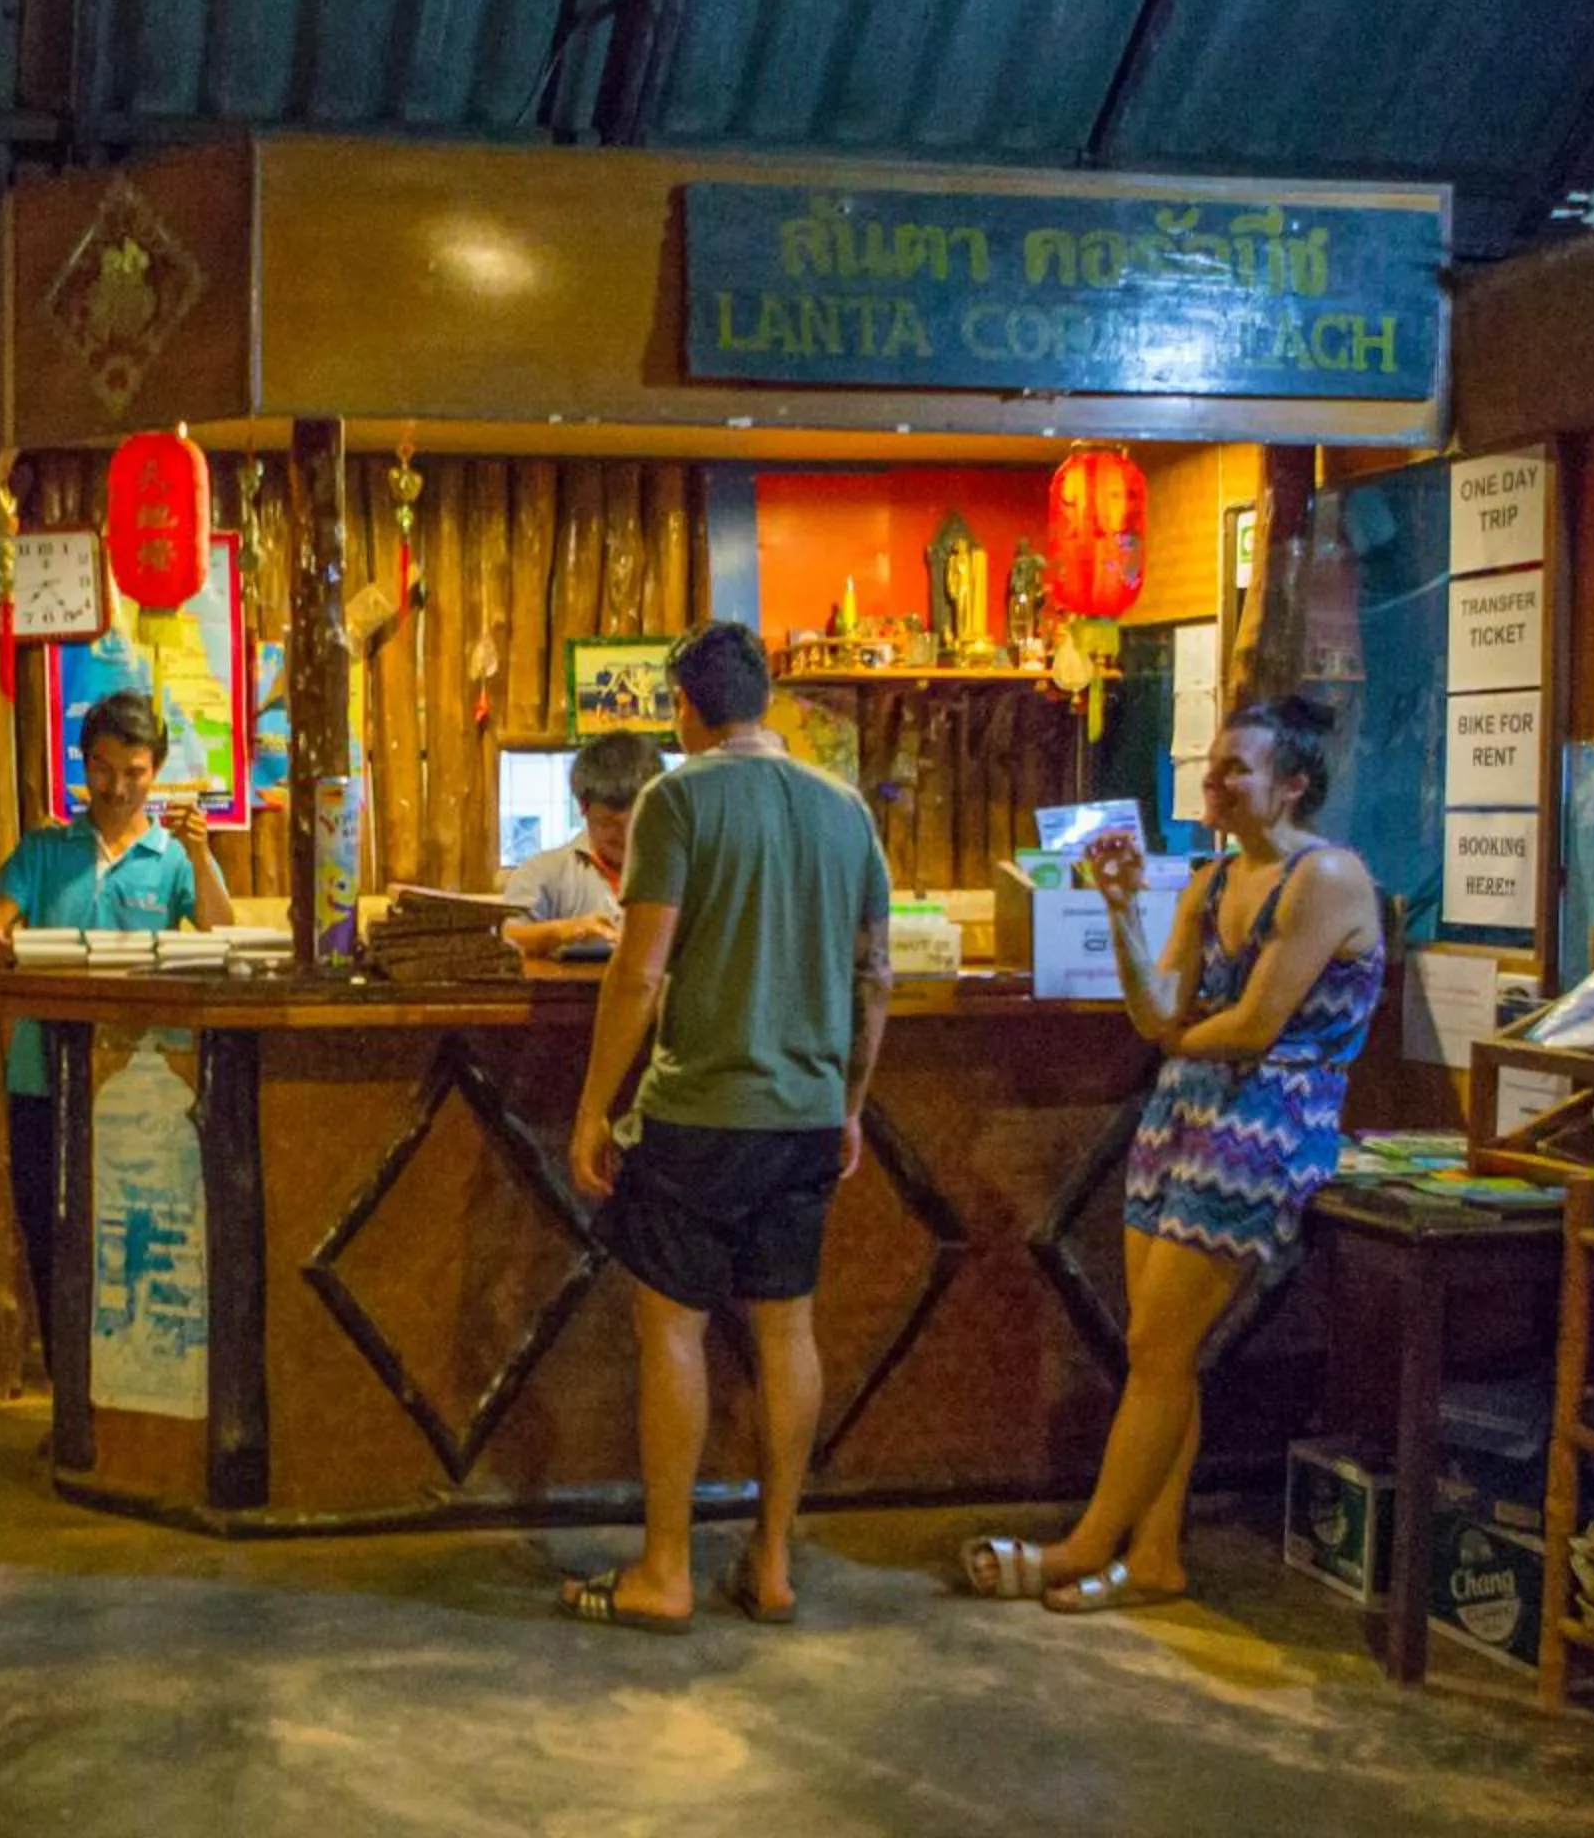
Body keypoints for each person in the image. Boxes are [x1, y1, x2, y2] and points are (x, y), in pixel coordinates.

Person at [960, 694, 1384, 1612]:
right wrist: (1118, 911)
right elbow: (1160, 1015)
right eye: (1215, 763)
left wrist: (1181, 1040)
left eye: (1239, 768)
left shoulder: (1327, 879)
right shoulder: (1209, 880)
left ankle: (1084, 1545)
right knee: (1161, 1353)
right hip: (1183, 1118)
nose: (1215, 779)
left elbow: (1252, 1026)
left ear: (1294, 786)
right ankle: (1153, 1560)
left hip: (1267, 1124)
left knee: (1156, 1345)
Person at [559, 622, 892, 1632]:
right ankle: (775, 1560)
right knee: (787, 1325)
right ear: (768, 696)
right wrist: (850, 1103)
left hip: (700, 1109)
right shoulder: (846, 810)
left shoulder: (679, 796)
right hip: (803, 1115)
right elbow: (875, 975)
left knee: (674, 1325)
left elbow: (642, 967)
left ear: (684, 709)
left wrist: (593, 1108)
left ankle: (666, 1570)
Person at [0, 688, 235, 1361]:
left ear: (156, 770)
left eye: (135, 772)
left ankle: (136, 1405)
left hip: (142, 1080)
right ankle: (69, 1410)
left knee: (137, 1232)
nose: (118, 787)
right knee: (53, 1235)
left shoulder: (173, 858)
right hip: (41, 1077)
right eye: (105, 769)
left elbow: (222, 932)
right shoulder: (45, 849)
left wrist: (202, 858)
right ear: (83, 764)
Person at [500, 730, 667, 958]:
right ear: (583, 807)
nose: (627, 836)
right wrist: (565, 931)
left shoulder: (678, 869)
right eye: (610, 824)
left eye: (639, 823)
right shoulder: (543, 872)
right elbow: (507, 936)